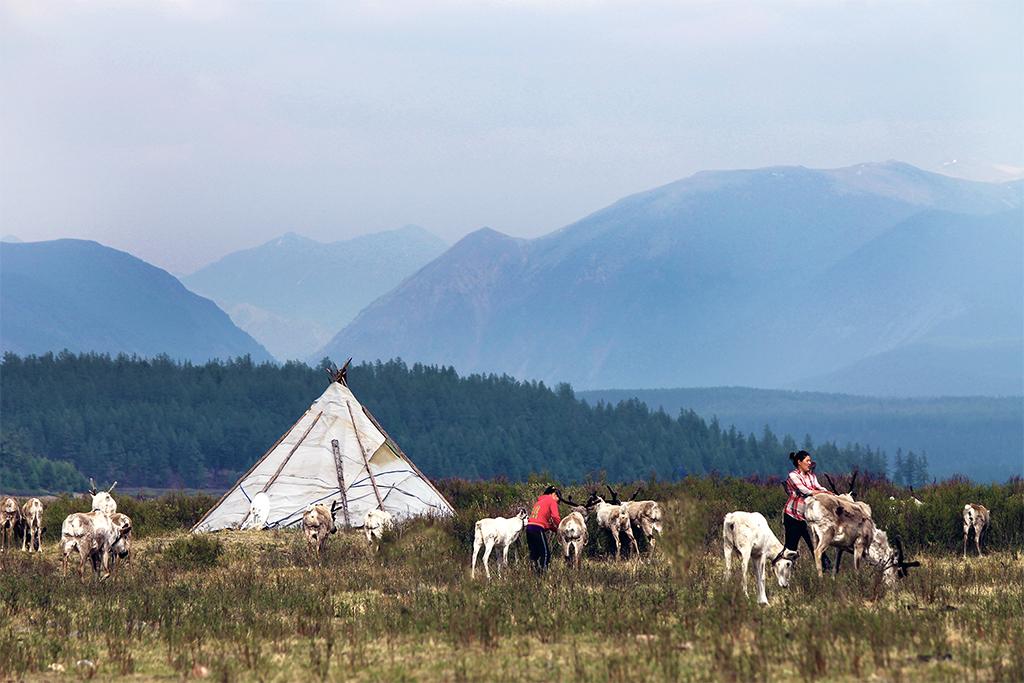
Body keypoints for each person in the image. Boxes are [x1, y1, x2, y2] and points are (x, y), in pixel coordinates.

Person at [783, 450, 831, 569]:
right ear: (799, 462)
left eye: (810, 461)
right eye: (807, 461)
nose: (810, 463)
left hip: (808, 518)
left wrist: (827, 492)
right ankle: (786, 572)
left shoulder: (811, 476)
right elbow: (805, 491)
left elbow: (819, 487)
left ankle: (825, 569)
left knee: (815, 545)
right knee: (791, 548)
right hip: (793, 516)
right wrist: (822, 492)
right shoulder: (793, 475)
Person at [525, 486, 561, 573]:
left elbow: (544, 522)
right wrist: (560, 528)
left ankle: (533, 574)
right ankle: (542, 576)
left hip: (529, 528)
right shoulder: (551, 501)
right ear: (554, 494)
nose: (558, 502)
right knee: (545, 553)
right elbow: (555, 517)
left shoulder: (539, 502)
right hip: (537, 528)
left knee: (534, 554)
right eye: (558, 499)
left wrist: (555, 530)